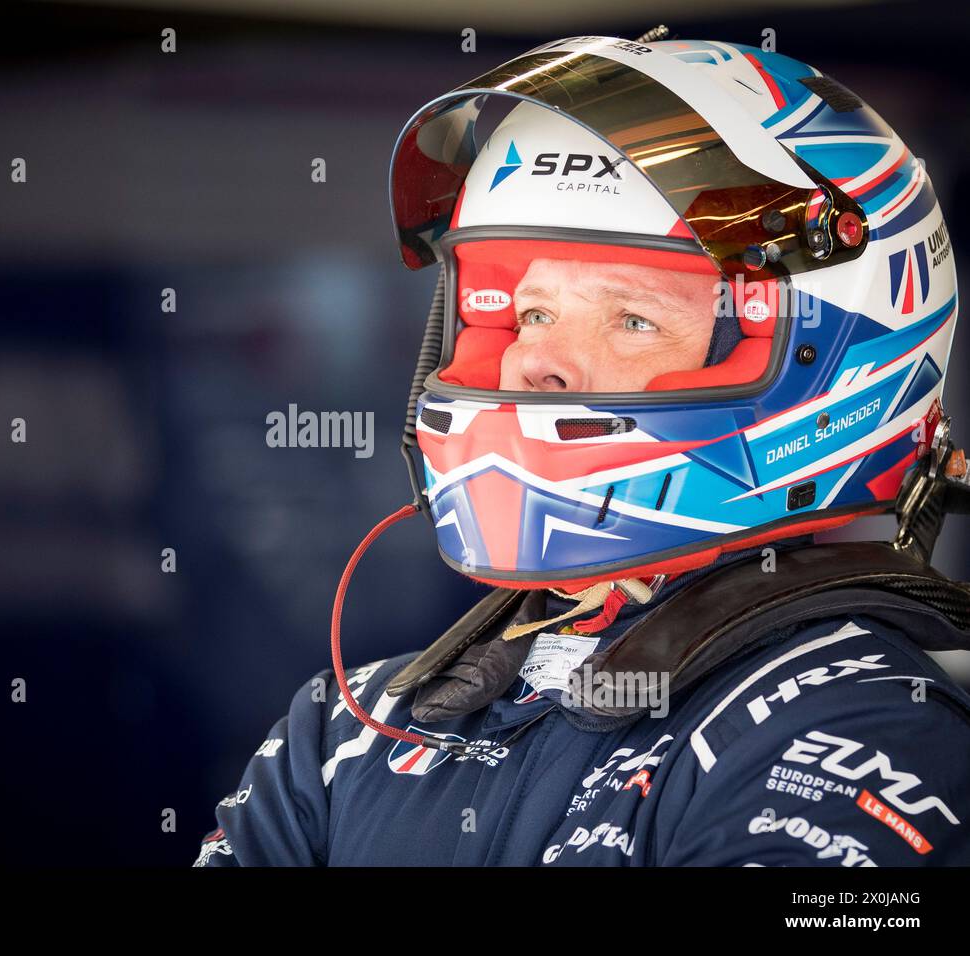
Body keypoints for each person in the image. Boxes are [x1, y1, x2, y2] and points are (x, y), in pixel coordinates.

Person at [196, 34, 970, 867]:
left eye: (631, 319)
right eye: (529, 314)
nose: (532, 361)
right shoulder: (349, 729)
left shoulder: (860, 726)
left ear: (829, 357)